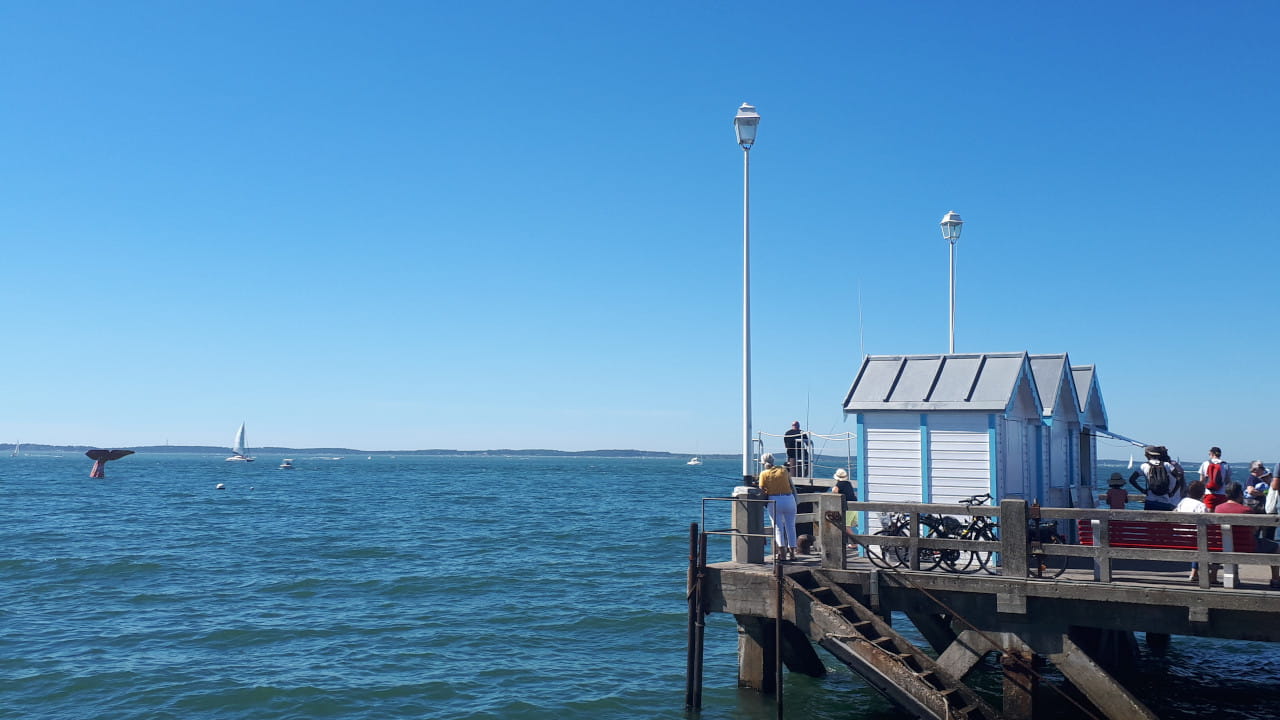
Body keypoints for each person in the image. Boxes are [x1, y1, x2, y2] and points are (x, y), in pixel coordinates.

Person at [1214, 482, 1280, 589]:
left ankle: (1212, 577)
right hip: (1247, 547)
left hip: (1223, 547)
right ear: (1240, 494)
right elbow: (1254, 530)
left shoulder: (1218, 509)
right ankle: (1276, 579)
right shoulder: (1246, 510)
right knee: (1276, 547)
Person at [757, 453, 798, 562]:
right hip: (789, 499)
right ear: (773, 461)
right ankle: (793, 553)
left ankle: (782, 553)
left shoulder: (763, 474)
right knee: (791, 526)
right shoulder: (784, 469)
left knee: (778, 528)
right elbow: (790, 484)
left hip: (775, 500)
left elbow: (762, 490)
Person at [1128, 445, 1178, 510]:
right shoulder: (1167, 465)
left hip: (1150, 500)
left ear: (1147, 455)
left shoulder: (1144, 466)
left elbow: (1131, 479)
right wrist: (1173, 492)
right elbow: (1178, 477)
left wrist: (1142, 490)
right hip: (1165, 500)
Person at [1177, 480, 1209, 583]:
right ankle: (1196, 573)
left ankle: (1194, 573)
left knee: (1199, 541)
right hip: (1194, 538)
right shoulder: (1201, 506)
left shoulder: (1182, 502)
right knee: (1203, 542)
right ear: (1202, 493)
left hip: (1179, 536)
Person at [831, 468, 859, 548]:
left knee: (846, 525)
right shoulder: (848, 483)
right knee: (857, 524)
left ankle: (854, 543)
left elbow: (834, 490)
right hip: (854, 505)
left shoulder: (840, 484)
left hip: (848, 507)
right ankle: (862, 540)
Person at [1199, 447, 1231, 511]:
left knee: (1208, 515)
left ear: (1212, 454)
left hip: (1209, 493)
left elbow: (1201, 481)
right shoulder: (1225, 465)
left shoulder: (1205, 463)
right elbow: (1228, 481)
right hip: (1222, 494)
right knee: (1220, 513)